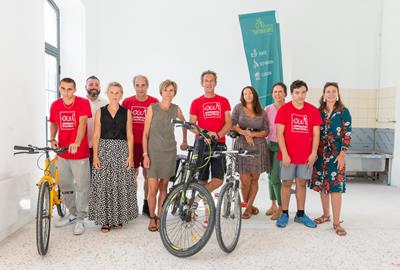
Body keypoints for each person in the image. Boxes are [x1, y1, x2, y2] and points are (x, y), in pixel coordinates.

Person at [89, 82, 138, 233]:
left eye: (117, 93)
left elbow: (130, 135)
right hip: (104, 149)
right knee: (104, 184)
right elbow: (96, 135)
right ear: (107, 94)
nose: (115, 95)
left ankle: (118, 219)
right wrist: (96, 156)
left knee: (120, 184)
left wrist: (131, 156)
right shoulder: (100, 112)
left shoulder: (127, 112)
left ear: (121, 94)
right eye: (112, 92)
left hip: (122, 150)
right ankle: (105, 220)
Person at [275, 80, 322, 229]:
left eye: (303, 92)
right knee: (287, 183)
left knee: (301, 183)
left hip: (305, 156)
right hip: (288, 156)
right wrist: (285, 154)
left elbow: (316, 134)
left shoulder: (313, 110)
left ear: (306, 93)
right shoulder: (284, 110)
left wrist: (313, 153)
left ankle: (300, 214)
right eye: (297, 93)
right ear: (292, 94)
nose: (300, 95)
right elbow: (279, 134)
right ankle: (284, 213)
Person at [142, 80, 187, 232]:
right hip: (153, 152)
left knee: (164, 187)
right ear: (161, 92)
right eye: (166, 90)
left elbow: (185, 125)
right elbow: (145, 133)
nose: (169, 93)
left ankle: (160, 217)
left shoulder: (176, 109)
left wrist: (185, 140)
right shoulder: (152, 108)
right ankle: (152, 218)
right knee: (152, 189)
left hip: (169, 151)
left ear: (175, 93)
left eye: (172, 90)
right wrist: (145, 154)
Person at [49, 77, 91, 235]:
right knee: (65, 185)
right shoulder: (55, 105)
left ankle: (81, 218)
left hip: (79, 152)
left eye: (69, 89)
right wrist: (53, 139)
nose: (66, 92)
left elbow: (82, 123)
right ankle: (72, 214)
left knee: (81, 186)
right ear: (60, 88)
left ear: (74, 90)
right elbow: (53, 123)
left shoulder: (82, 103)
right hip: (63, 152)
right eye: (63, 89)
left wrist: (77, 142)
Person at [309, 82, 352, 236]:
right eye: (328, 91)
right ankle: (326, 215)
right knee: (322, 185)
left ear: (338, 93)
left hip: (336, 156)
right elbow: (313, 133)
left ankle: (336, 222)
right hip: (320, 155)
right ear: (324, 94)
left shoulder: (343, 111)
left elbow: (347, 133)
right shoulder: (318, 111)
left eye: (334, 91)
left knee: (335, 187)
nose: (331, 93)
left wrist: (342, 154)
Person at [231, 86, 270, 219]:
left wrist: (252, 134)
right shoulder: (238, 108)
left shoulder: (262, 112)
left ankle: (248, 208)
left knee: (254, 178)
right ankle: (248, 204)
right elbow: (231, 124)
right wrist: (244, 133)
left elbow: (266, 131)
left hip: (258, 146)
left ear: (254, 95)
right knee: (244, 180)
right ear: (243, 95)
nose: (248, 95)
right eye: (245, 93)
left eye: (250, 93)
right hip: (242, 145)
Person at [122, 75, 158, 217]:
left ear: (147, 86)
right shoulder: (127, 102)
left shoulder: (154, 102)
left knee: (148, 175)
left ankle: (145, 203)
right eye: (138, 85)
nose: (140, 88)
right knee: (132, 174)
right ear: (134, 86)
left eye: (143, 85)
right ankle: (132, 204)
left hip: (149, 144)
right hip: (131, 143)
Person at [189, 70, 231, 193]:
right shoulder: (196, 102)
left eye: (211, 80)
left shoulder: (223, 101)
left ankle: (195, 201)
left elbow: (228, 123)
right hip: (202, 143)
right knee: (201, 179)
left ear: (215, 83)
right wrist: (207, 133)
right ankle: (198, 207)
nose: (209, 83)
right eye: (206, 81)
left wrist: (217, 135)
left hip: (219, 143)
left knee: (218, 179)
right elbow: (192, 126)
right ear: (202, 83)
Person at [264, 82, 287, 220]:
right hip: (268, 144)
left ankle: (281, 207)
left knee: (275, 177)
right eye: (275, 92)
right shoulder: (267, 109)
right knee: (269, 175)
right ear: (272, 94)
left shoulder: (289, 109)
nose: (277, 94)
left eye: (280, 91)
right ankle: (272, 204)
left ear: (285, 94)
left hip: (281, 146)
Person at [85, 76, 107, 168]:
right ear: (85, 87)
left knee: (98, 175)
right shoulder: (80, 102)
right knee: (85, 176)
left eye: (96, 85)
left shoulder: (106, 103)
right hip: (83, 146)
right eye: (91, 85)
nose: (94, 87)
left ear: (100, 87)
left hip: (100, 146)